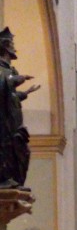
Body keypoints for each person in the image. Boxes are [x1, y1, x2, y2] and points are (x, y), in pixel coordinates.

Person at [0, 27, 40, 188]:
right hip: (5, 125)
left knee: (23, 152)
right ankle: (5, 179)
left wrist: (25, 93)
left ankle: (15, 181)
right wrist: (19, 78)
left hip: (14, 124)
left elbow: (10, 96)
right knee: (7, 150)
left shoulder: (8, 70)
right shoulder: (2, 70)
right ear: (5, 46)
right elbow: (3, 85)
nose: (15, 48)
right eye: (12, 44)